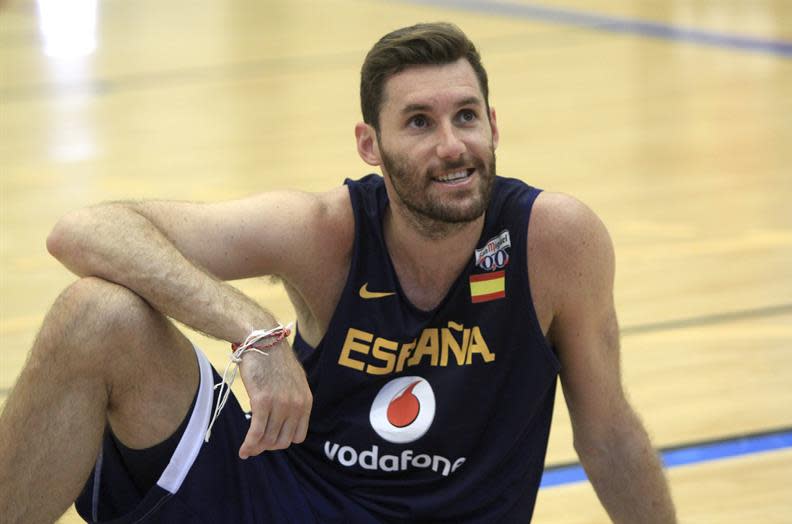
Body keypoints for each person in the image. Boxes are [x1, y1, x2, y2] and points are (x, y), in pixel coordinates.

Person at [0, 22, 676, 523]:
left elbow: (610, 433)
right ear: (370, 145)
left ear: (493, 126)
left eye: (465, 117)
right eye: (418, 122)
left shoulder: (555, 241)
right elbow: (85, 230)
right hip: (283, 505)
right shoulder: (326, 233)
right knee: (96, 314)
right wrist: (253, 329)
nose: (451, 145)